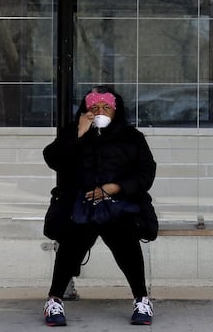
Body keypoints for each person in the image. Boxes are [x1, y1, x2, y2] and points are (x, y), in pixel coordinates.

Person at [42, 85, 157, 327]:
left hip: (119, 203)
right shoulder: (73, 133)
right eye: (94, 107)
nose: (100, 111)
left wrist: (117, 187)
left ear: (116, 110)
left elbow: (146, 172)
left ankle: (141, 299)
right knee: (72, 241)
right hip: (79, 204)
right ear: (85, 111)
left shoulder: (132, 137)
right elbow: (52, 159)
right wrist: (77, 134)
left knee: (126, 240)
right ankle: (54, 300)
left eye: (106, 107)